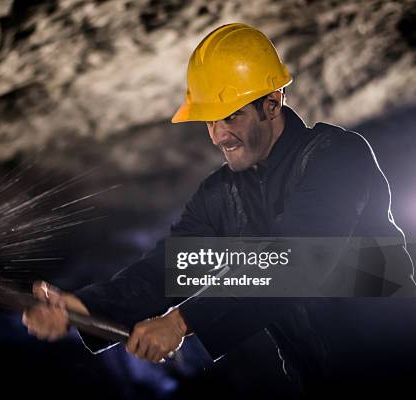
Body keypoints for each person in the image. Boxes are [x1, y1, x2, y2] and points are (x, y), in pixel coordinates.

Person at [22, 23, 416, 395]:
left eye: (232, 116)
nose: (219, 135)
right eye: (209, 121)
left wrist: (180, 322)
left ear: (273, 103)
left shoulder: (337, 156)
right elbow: (169, 269)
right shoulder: (221, 194)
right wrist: (81, 306)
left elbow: (298, 261)